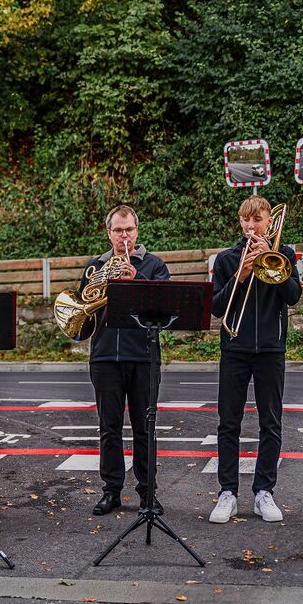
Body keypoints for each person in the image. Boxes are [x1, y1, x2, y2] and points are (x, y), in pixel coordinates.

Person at [207, 196, 301, 525]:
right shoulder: (226, 259)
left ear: (269, 223)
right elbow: (217, 307)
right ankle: (227, 493)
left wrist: (270, 264)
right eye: (246, 220)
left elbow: (294, 296)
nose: (251, 226)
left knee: (270, 423)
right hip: (234, 347)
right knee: (228, 423)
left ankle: (264, 492)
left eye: (258, 220)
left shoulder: (284, 255)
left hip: (271, 349)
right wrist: (241, 275)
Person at [78, 205, 171, 516]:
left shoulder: (154, 266)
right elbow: (83, 315)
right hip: (104, 356)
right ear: (109, 233)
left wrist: (136, 280)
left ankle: (147, 493)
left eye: (129, 229)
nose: (124, 236)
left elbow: (162, 309)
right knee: (109, 428)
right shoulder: (95, 267)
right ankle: (111, 491)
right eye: (118, 230)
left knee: (145, 428)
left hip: (144, 356)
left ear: (137, 231)